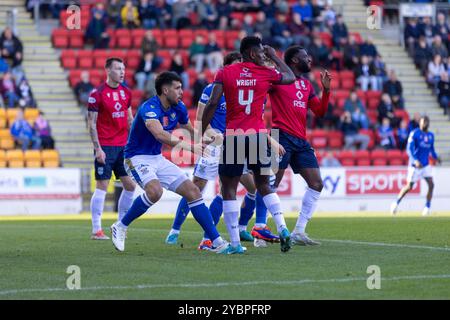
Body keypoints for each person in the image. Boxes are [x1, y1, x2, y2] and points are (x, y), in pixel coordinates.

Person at [110, 72, 233, 254]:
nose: (182, 92)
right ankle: (120, 226)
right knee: (155, 191)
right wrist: (191, 148)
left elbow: (189, 129)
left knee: (193, 191)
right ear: (165, 90)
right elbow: (160, 135)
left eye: (181, 87)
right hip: (136, 158)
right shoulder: (149, 108)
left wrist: (207, 137)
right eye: (177, 88)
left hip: (157, 158)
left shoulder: (179, 107)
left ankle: (216, 241)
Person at [201, 36, 296, 253]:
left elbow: (213, 102)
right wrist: (275, 56)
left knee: (229, 189)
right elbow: (290, 76)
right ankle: (282, 227)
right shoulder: (266, 73)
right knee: (264, 185)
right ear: (252, 53)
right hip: (258, 136)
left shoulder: (225, 73)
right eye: (262, 52)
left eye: (266, 53)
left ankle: (234, 244)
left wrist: (200, 131)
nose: (265, 55)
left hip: (234, 135)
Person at [165, 52, 269, 249]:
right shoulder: (212, 89)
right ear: (226, 68)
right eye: (237, 65)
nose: (241, 70)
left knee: (249, 187)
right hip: (215, 144)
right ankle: (175, 230)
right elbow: (200, 120)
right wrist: (213, 135)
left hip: (236, 143)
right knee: (196, 188)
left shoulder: (247, 91)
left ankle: (236, 229)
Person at [268, 45, 331, 245]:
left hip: (300, 140)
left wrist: (326, 90)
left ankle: (299, 232)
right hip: (280, 136)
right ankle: (259, 228)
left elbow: (320, 111)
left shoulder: (306, 85)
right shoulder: (277, 80)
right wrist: (275, 57)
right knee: (269, 185)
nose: (310, 59)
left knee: (316, 184)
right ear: (294, 60)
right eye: (306, 57)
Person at [87, 57, 136, 241]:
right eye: (118, 69)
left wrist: (134, 143)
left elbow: (130, 119)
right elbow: (91, 124)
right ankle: (96, 229)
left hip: (123, 146)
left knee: (130, 185)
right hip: (105, 147)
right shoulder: (97, 94)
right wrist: (97, 148)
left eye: (123, 68)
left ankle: (121, 225)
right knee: (102, 186)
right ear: (108, 70)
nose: (122, 72)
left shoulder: (126, 93)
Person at [390, 116, 441, 216]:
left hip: (425, 165)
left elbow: (432, 150)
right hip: (415, 166)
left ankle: (427, 207)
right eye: (423, 121)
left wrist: (436, 157)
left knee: (431, 184)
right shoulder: (415, 133)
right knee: (409, 187)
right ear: (420, 123)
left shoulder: (431, 135)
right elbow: (409, 149)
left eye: (427, 121)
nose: (425, 123)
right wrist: (415, 160)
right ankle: (395, 203)